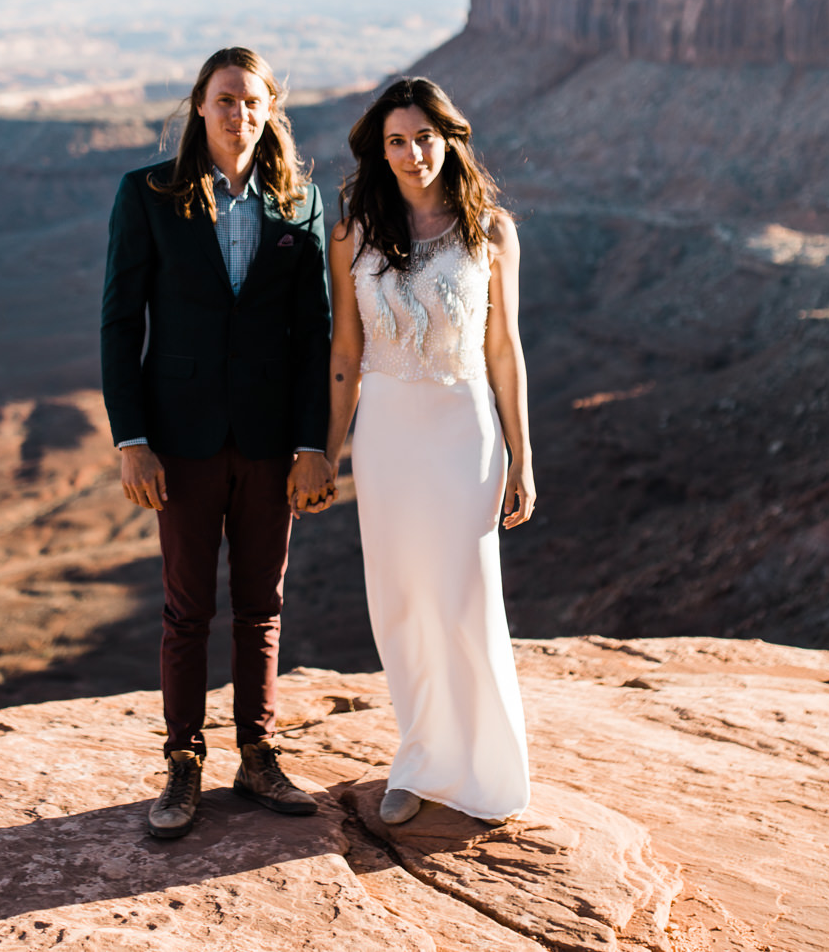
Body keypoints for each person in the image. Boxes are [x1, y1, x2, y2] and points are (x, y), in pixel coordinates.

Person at [100, 46, 334, 841]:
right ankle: (183, 759)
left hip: (272, 443)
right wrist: (132, 438)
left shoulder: (299, 202)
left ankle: (258, 752)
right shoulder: (149, 195)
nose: (239, 112)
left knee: (261, 606)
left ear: (270, 111)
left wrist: (314, 444)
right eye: (225, 98)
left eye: (253, 100)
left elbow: (317, 335)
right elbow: (119, 322)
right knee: (187, 608)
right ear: (199, 105)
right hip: (184, 440)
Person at [306, 75, 536, 827]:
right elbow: (345, 353)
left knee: (466, 597)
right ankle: (422, 759)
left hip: (466, 432)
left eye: (424, 138)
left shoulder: (492, 230)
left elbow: (505, 351)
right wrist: (326, 451)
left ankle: (486, 767)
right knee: (402, 601)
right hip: (388, 437)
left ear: (450, 138)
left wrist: (524, 457)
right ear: (381, 149)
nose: (412, 154)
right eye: (397, 141)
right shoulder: (352, 233)